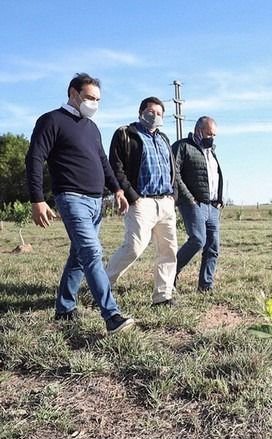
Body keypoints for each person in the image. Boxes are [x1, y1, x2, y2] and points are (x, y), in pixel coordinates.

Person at [25, 73, 134, 335]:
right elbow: (34, 158)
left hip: (96, 202)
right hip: (71, 198)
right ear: (73, 93)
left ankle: (64, 307)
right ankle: (111, 316)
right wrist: (37, 199)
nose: (93, 103)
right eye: (89, 97)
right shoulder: (52, 120)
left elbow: (103, 163)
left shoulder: (91, 128)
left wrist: (117, 189)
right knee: (92, 253)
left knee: (78, 256)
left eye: (97, 99)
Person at [105, 97, 178, 306]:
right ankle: (102, 285)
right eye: (151, 111)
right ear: (141, 112)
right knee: (134, 247)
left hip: (165, 202)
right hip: (141, 202)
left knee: (168, 250)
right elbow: (116, 167)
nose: (155, 116)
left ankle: (163, 296)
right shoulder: (126, 134)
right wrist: (132, 196)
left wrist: (173, 196)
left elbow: (172, 169)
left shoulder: (163, 138)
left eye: (159, 113)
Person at [173, 116, 223, 292]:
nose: (212, 138)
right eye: (209, 134)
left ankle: (205, 286)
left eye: (214, 135)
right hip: (193, 203)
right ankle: (171, 272)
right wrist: (189, 199)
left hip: (212, 206)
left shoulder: (211, 152)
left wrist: (218, 200)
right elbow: (175, 174)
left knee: (213, 246)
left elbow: (215, 178)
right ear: (198, 130)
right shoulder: (183, 146)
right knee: (198, 240)